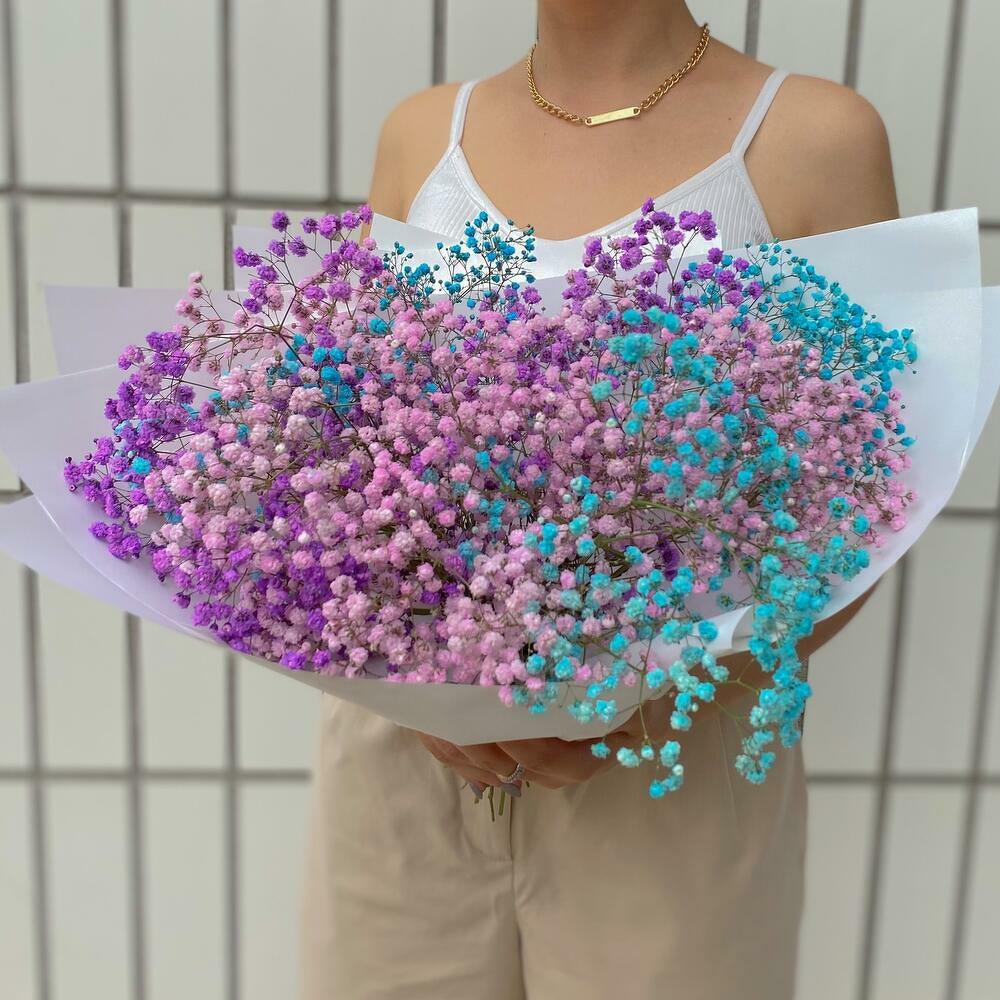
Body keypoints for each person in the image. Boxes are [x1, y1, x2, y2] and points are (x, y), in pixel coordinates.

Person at [300, 3, 897, 997]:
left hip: (669, 758)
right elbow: (342, 439)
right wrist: (414, 677)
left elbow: (863, 513)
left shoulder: (810, 140)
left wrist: (627, 683)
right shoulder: (423, 133)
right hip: (406, 759)